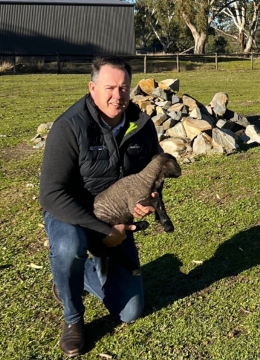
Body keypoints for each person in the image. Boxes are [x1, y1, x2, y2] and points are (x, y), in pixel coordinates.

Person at [40, 56, 161, 357]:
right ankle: (73, 319)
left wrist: (148, 199)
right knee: (70, 247)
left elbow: (154, 172)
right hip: (72, 216)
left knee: (130, 311)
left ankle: (72, 277)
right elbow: (51, 195)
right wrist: (104, 231)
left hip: (115, 218)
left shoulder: (142, 126)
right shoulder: (69, 126)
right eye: (109, 88)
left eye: (124, 88)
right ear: (92, 88)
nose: (116, 96)